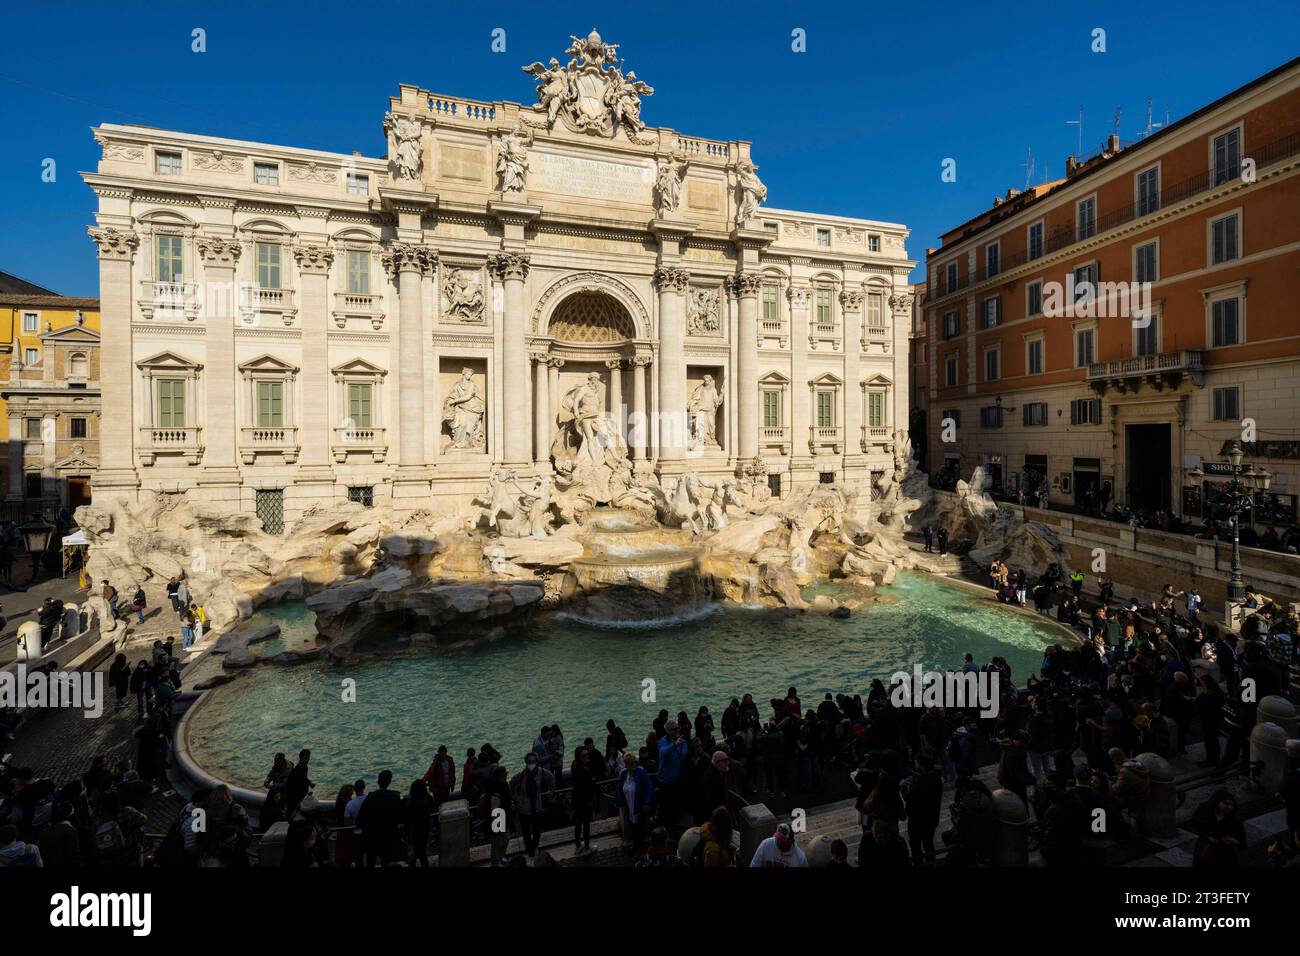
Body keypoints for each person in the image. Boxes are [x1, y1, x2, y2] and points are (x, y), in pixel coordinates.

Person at [510, 751, 554, 859]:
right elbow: (511, 783)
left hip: (537, 808)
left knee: (537, 832)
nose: (531, 764)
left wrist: (551, 791)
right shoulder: (521, 775)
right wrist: (515, 798)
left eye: (533, 761)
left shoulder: (542, 773)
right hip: (523, 809)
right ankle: (530, 852)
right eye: (529, 762)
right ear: (526, 762)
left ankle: (534, 847)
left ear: (537, 762)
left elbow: (552, 778)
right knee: (526, 833)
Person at [355, 770, 402, 867]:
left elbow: (360, 820)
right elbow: (400, 818)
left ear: (378, 781)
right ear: (389, 782)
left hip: (372, 837)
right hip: (388, 837)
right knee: (386, 861)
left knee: (370, 861)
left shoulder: (370, 797)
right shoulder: (395, 798)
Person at [1192, 790, 1246, 868]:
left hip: (1225, 854)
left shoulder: (1234, 821)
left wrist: (1235, 842)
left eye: (1232, 805)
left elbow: (1243, 842)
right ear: (1217, 802)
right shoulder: (1204, 810)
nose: (1229, 807)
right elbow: (1196, 824)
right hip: (1205, 850)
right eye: (1226, 803)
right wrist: (1207, 836)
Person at [616, 752, 654, 856]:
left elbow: (649, 788)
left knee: (640, 828)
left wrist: (646, 802)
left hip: (639, 806)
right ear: (626, 764)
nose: (634, 765)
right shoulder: (623, 774)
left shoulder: (641, 772)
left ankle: (640, 849)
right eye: (631, 763)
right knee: (633, 827)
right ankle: (637, 846)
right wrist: (622, 804)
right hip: (629, 806)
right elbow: (619, 790)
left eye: (635, 762)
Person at [570, 746, 598, 857]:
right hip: (585, 802)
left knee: (578, 824)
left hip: (577, 801)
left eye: (587, 754)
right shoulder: (584, 770)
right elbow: (589, 787)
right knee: (586, 824)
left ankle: (578, 845)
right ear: (579, 758)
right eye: (584, 755)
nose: (587, 756)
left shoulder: (575, 766)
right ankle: (586, 846)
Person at [403, 779, 432, 867]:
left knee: (413, 857)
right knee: (422, 854)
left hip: (414, 833)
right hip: (425, 831)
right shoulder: (428, 800)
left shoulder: (411, 804)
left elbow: (407, 822)